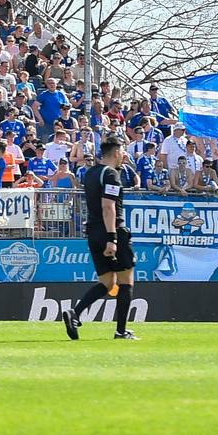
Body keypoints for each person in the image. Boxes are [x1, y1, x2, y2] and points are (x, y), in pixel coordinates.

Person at [64, 136, 138, 341]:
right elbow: (108, 206)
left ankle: (75, 313)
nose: (124, 156)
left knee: (107, 281)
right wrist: (112, 238)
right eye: (123, 152)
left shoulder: (90, 173)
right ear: (116, 153)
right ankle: (121, 331)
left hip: (93, 232)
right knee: (126, 281)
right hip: (111, 231)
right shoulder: (111, 174)